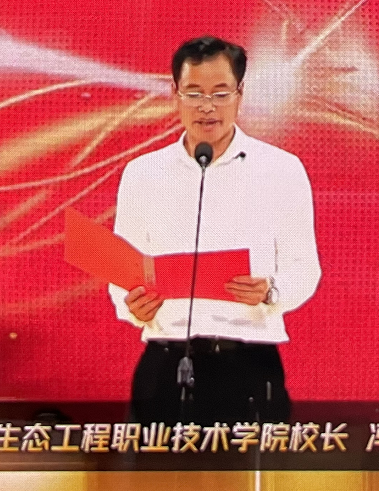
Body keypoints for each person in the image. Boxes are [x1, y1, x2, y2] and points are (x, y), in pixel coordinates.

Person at [108, 36, 321, 426]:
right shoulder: (143, 173)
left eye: (220, 94)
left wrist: (270, 290)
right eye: (194, 94)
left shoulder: (281, 169)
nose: (207, 107)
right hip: (165, 361)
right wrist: (131, 304)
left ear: (240, 94)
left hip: (249, 362)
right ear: (175, 94)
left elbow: (304, 268)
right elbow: (123, 269)